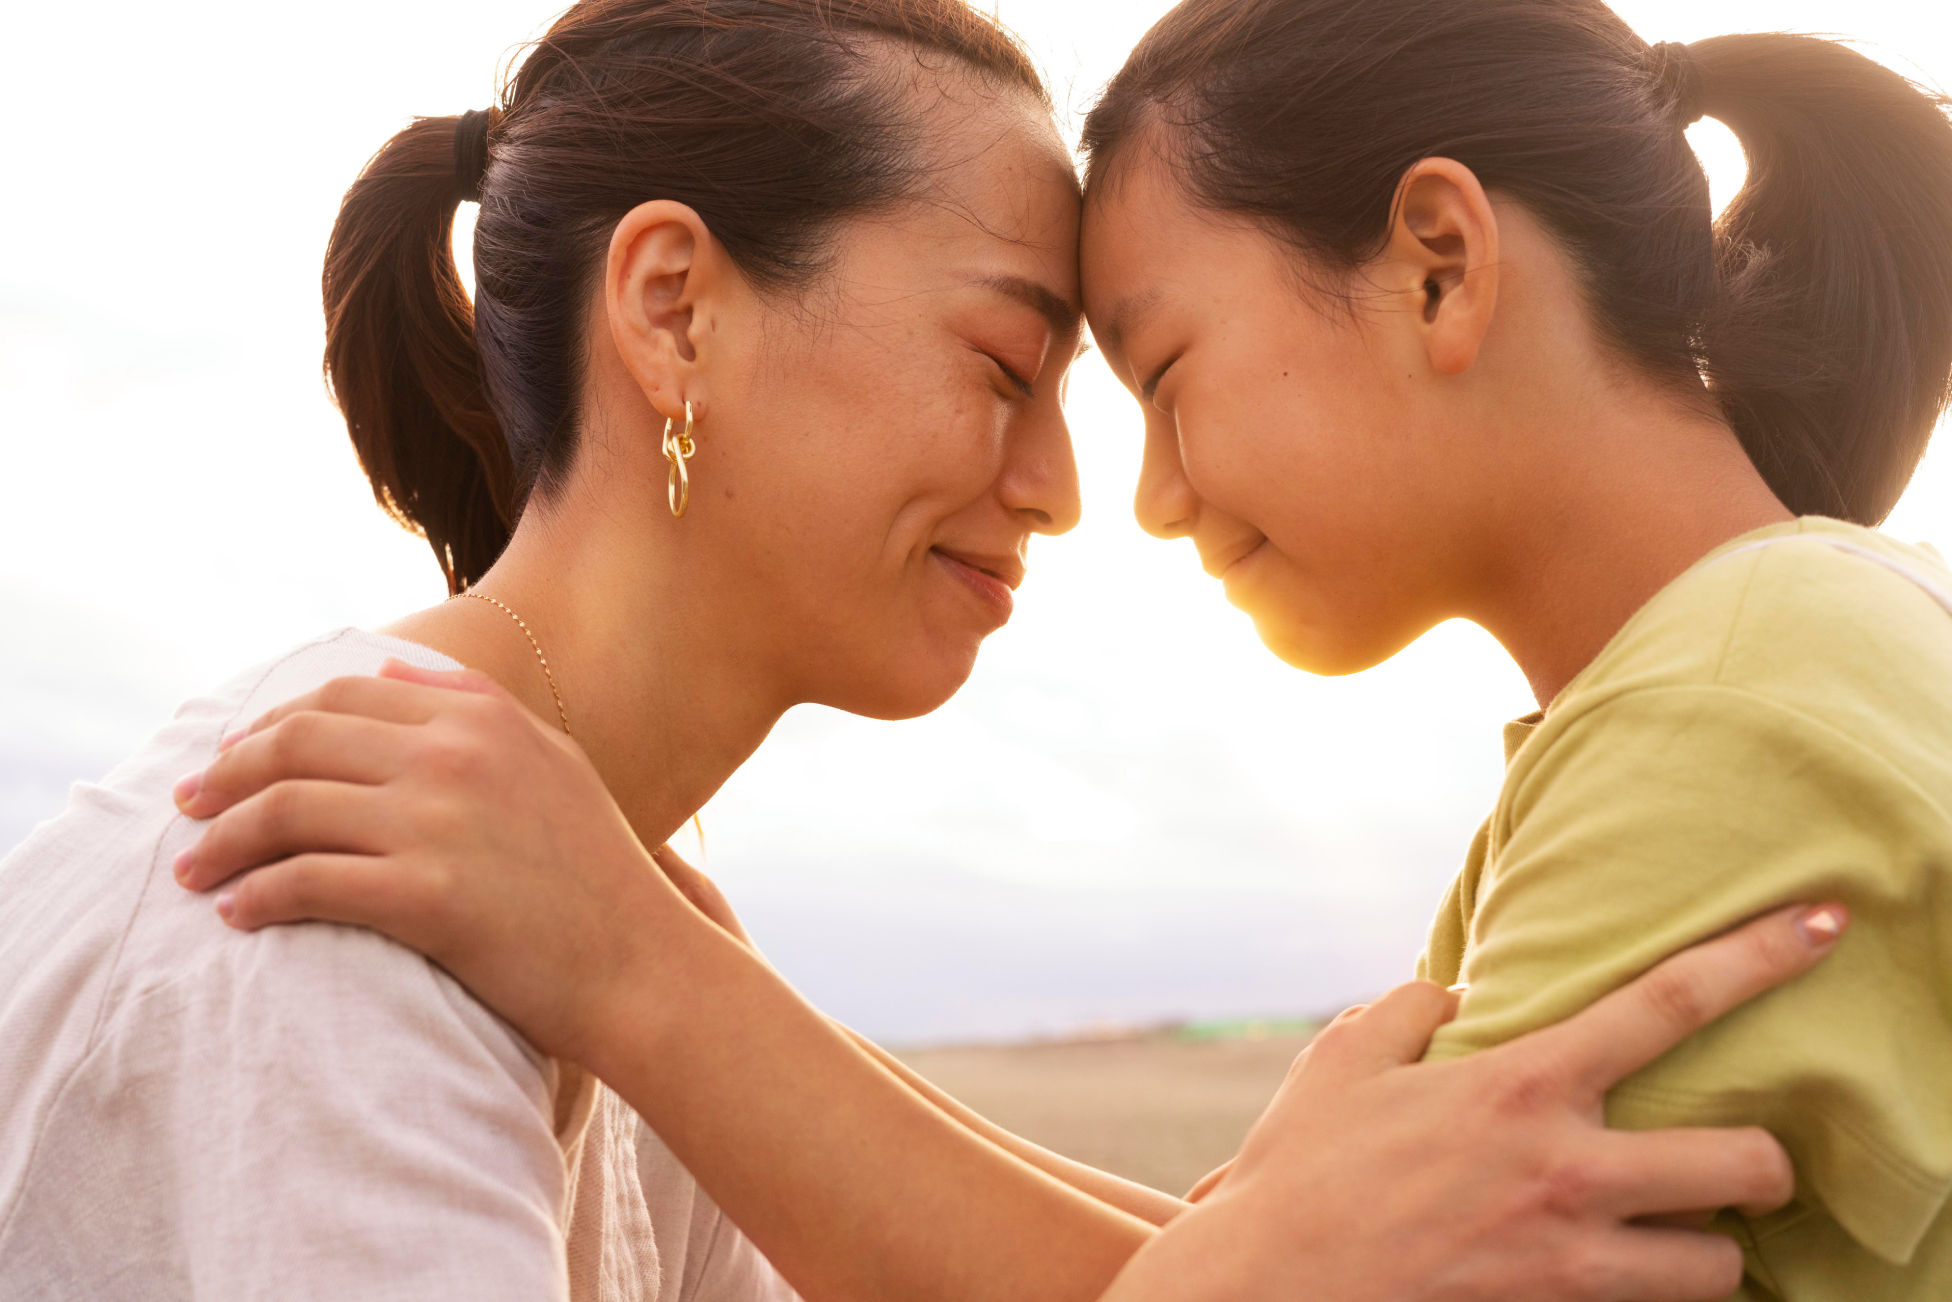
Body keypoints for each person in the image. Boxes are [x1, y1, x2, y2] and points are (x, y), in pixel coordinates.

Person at [0, 1, 1834, 1301]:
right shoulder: (325, 884)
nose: (1060, 490)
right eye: (1001, 365)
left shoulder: (575, 890)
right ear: (672, 309)